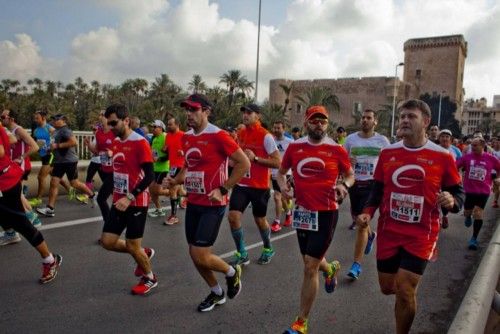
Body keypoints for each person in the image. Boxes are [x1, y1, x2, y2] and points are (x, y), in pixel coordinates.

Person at [356, 99, 464, 334]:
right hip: (389, 230)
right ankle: (405, 295)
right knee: (388, 287)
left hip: (421, 233)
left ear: (425, 122)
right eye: (402, 116)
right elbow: (377, 188)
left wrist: (452, 201)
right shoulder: (388, 153)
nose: (404, 120)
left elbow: (458, 192)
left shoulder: (442, 156)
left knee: (405, 289)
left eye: (411, 116)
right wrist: (366, 213)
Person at [164, 94, 250, 311]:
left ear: (206, 111)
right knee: (195, 255)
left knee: (200, 254)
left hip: (213, 205)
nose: (189, 115)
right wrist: (175, 180)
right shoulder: (187, 137)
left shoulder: (219, 136)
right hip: (193, 202)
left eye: (193, 110)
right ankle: (216, 292)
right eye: (187, 110)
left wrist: (223, 189)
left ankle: (231, 272)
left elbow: (244, 163)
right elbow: (188, 166)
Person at [278, 105, 354, 334]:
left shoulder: (337, 150)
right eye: (314, 120)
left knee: (310, 266)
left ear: (327, 124)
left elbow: (350, 174)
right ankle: (330, 269)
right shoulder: (294, 147)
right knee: (309, 261)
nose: (318, 124)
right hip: (303, 212)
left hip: (327, 212)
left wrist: (344, 185)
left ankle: (301, 322)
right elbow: (281, 173)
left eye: (322, 121)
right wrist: (283, 188)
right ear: (306, 122)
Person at [100, 104, 157, 295]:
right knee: (107, 241)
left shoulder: (140, 142)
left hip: (136, 201)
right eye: (109, 123)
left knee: (133, 244)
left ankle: (149, 277)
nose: (111, 126)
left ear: (126, 120)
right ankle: (143, 253)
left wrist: (130, 196)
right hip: (119, 200)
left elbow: (150, 176)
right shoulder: (115, 142)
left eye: (114, 122)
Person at [0, 122, 62, 283]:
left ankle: (50, 260)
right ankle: (10, 233)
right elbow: (12, 140)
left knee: (22, 223)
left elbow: (1, 151)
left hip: (6, 182)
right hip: (5, 178)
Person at [228, 103, 281, 266]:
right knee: (233, 217)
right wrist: (233, 161)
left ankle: (267, 248)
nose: (245, 115)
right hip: (242, 184)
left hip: (259, 186)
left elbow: (277, 162)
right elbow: (238, 155)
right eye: (244, 112)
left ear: (258, 116)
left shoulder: (266, 136)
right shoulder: (241, 133)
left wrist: (256, 159)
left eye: (249, 113)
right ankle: (242, 253)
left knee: (260, 220)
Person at [343, 109, 390, 280]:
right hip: (355, 184)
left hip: (373, 185)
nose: (365, 120)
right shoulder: (350, 139)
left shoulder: (382, 141)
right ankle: (371, 235)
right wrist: (348, 160)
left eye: (369, 118)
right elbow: (342, 160)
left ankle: (356, 265)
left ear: (375, 121)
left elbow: (390, 162)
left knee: (362, 223)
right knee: (357, 219)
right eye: (363, 117)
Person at [36, 114, 95, 217]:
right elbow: (56, 144)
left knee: (74, 183)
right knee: (54, 182)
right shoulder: (56, 131)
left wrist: (58, 145)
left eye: (56, 119)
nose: (54, 121)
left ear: (63, 120)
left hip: (69, 161)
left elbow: (74, 142)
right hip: (59, 161)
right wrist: (50, 148)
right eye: (53, 119)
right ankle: (50, 209)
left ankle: (92, 195)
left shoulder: (65, 130)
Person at [0, 108, 42, 246]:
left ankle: (31, 220)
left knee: (17, 197)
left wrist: (21, 157)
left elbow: (35, 147)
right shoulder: (7, 131)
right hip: (11, 168)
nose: (1, 118)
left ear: (11, 119)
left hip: (21, 166)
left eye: (3, 116)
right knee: (17, 197)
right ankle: (29, 220)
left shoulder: (18, 130)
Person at [456, 135, 500, 250]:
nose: (472, 147)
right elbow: (455, 166)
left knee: (478, 214)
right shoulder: (467, 157)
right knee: (467, 211)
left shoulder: (491, 158)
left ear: (483, 146)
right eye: (472, 145)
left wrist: (498, 179)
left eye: (475, 145)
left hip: (484, 191)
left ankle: (474, 238)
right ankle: (467, 216)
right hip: (469, 190)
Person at [29, 110, 73, 207]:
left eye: (37, 118)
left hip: (51, 156)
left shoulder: (50, 129)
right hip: (43, 156)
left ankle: (38, 199)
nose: (35, 120)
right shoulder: (36, 130)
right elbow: (35, 142)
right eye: (35, 118)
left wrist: (57, 149)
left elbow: (62, 140)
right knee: (56, 177)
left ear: (43, 118)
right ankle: (71, 190)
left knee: (41, 177)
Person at [86, 111, 115, 228]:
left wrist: (112, 152)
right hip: (104, 169)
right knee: (113, 197)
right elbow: (97, 151)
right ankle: (113, 224)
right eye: (100, 115)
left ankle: (109, 225)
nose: (100, 117)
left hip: (115, 171)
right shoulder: (98, 133)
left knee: (102, 198)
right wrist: (89, 145)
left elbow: (122, 148)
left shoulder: (115, 132)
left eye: (103, 115)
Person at [270, 120, 294, 232]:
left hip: (286, 173)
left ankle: (277, 221)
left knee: (278, 197)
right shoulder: (271, 141)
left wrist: (293, 173)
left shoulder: (290, 142)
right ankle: (288, 214)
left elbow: (295, 158)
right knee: (278, 197)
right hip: (274, 173)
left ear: (283, 129)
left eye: (278, 128)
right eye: (274, 128)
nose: (276, 130)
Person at [438, 129, 462, 229]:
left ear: (451, 139)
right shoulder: (434, 149)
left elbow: (460, 165)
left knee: (445, 197)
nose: (445, 138)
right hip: (437, 178)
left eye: (447, 137)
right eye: (442, 136)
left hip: (451, 180)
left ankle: (445, 216)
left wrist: (459, 177)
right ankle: (437, 218)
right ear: (439, 139)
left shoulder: (456, 151)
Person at [163, 116, 185, 225]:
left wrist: (183, 152)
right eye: (168, 124)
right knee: (178, 190)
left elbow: (191, 150)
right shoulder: (168, 136)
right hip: (172, 166)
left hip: (181, 166)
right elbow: (166, 149)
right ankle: (189, 197)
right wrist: (165, 149)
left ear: (177, 124)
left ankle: (174, 216)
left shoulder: (183, 135)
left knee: (172, 189)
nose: (168, 126)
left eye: (170, 124)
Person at [148, 120, 170, 218]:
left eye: (154, 127)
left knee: (157, 190)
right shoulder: (153, 138)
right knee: (151, 190)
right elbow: (150, 150)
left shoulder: (165, 137)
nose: (152, 129)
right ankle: (159, 209)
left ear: (160, 128)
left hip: (163, 168)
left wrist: (160, 159)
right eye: (152, 127)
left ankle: (175, 192)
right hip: (154, 167)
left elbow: (170, 154)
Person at [492, 137, 500, 208]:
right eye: (496, 142)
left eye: (498, 142)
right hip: (491, 172)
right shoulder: (491, 151)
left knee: (497, 187)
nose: (497, 144)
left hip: (499, 172)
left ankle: (495, 201)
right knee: (495, 188)